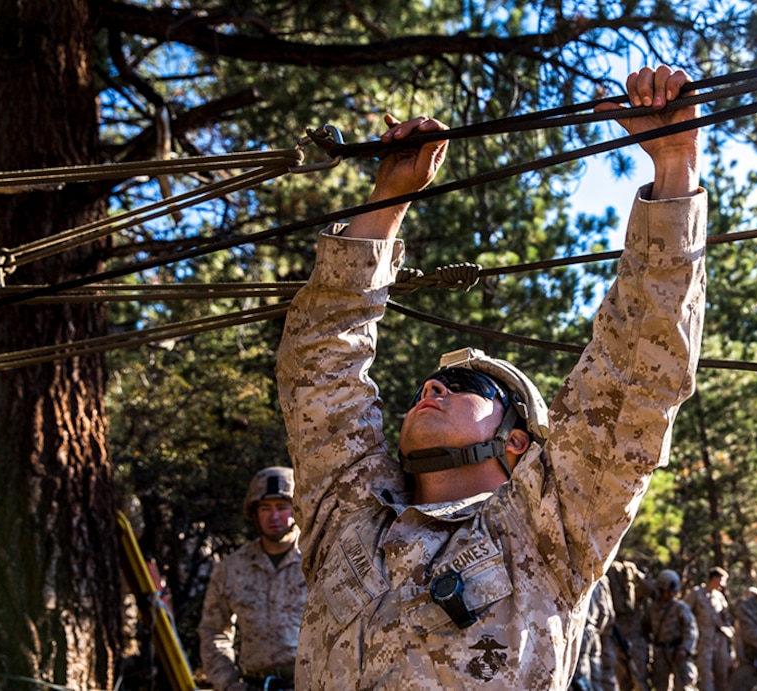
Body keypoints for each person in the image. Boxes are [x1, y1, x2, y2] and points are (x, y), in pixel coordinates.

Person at [275, 64, 707, 689]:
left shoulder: (547, 529)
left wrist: (673, 166)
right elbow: (320, 368)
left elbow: (637, 376)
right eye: (432, 383)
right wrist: (387, 199)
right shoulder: (350, 513)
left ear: (517, 443)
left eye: (468, 389)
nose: (433, 387)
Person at [198, 467, 307, 691]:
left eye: (282, 507)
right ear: (254, 513)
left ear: (297, 509)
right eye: (265, 508)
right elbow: (213, 631)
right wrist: (228, 683)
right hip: (254, 685)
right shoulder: (231, 568)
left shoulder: (317, 562)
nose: (274, 516)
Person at [645, 570, 699, 691]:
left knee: (684, 685)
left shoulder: (680, 607)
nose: (671, 594)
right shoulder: (652, 609)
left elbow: (691, 629)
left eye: (673, 591)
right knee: (660, 686)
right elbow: (645, 630)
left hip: (677, 652)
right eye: (668, 590)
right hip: (659, 653)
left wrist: (685, 649)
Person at [608, 560, 655, 691]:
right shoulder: (611, 597)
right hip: (618, 642)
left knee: (640, 681)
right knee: (623, 683)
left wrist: (635, 572)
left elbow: (650, 588)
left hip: (636, 643)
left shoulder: (635, 594)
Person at [685, 566, 734, 691]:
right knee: (705, 677)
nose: (723, 585)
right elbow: (685, 614)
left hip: (720, 642)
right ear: (714, 578)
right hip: (704, 642)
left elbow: (726, 618)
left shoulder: (719, 597)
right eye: (722, 580)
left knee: (722, 677)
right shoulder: (696, 593)